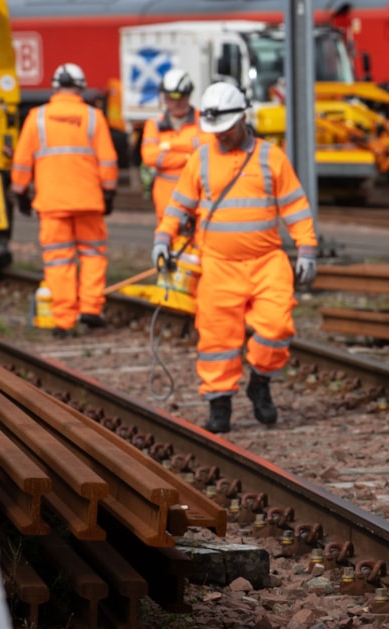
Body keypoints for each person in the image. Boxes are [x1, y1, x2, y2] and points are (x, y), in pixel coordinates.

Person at [151, 82, 318, 434]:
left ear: (243, 118)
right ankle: (219, 402)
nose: (221, 137)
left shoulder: (270, 156)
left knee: (277, 327)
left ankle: (260, 380)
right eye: (216, 131)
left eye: (226, 130)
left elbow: (296, 207)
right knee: (217, 338)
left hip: (266, 261)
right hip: (217, 265)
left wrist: (306, 249)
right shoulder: (201, 158)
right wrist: (162, 240)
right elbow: (178, 206)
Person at [11, 62, 119, 337]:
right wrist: (108, 192)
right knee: (93, 255)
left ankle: (63, 320)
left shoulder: (36, 117)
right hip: (88, 200)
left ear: (55, 87)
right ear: (81, 88)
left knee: (59, 260)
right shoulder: (94, 117)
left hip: (52, 202)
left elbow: (22, 161)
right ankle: (91, 309)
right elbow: (108, 159)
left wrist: (20, 192)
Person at [140, 69, 213, 223]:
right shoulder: (154, 124)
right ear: (165, 98)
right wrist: (189, 155)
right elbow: (150, 156)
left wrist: (170, 145)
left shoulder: (204, 120)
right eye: (171, 98)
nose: (176, 103)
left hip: (199, 200)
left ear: (189, 96)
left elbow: (211, 144)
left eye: (182, 97)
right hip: (166, 200)